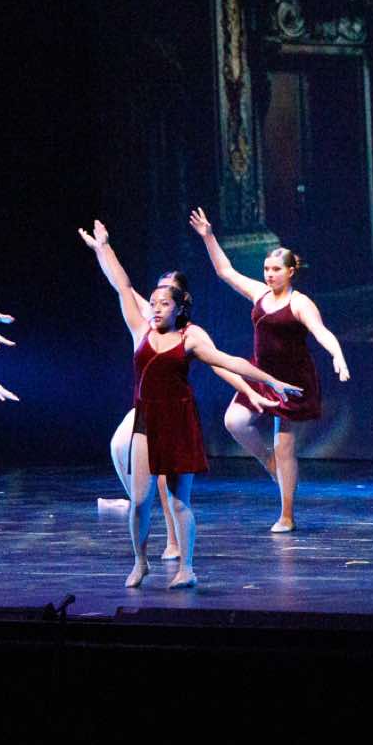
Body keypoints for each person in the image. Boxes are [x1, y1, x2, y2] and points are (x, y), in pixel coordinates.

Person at [78, 220, 303, 589]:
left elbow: (231, 362)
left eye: (163, 304)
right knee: (140, 501)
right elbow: (122, 285)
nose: (154, 309)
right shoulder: (140, 329)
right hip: (147, 422)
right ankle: (140, 561)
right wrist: (103, 246)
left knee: (179, 502)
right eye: (153, 303)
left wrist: (271, 382)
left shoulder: (190, 337)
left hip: (179, 423)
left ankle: (187, 568)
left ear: (179, 307)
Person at [188, 208, 350, 533]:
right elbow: (225, 271)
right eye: (266, 269)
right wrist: (208, 236)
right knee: (235, 421)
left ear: (291, 271)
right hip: (262, 373)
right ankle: (268, 460)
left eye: (276, 269)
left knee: (284, 443)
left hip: (292, 379)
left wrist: (338, 356)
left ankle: (287, 514)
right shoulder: (259, 294)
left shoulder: (300, 303)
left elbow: (321, 332)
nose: (269, 274)